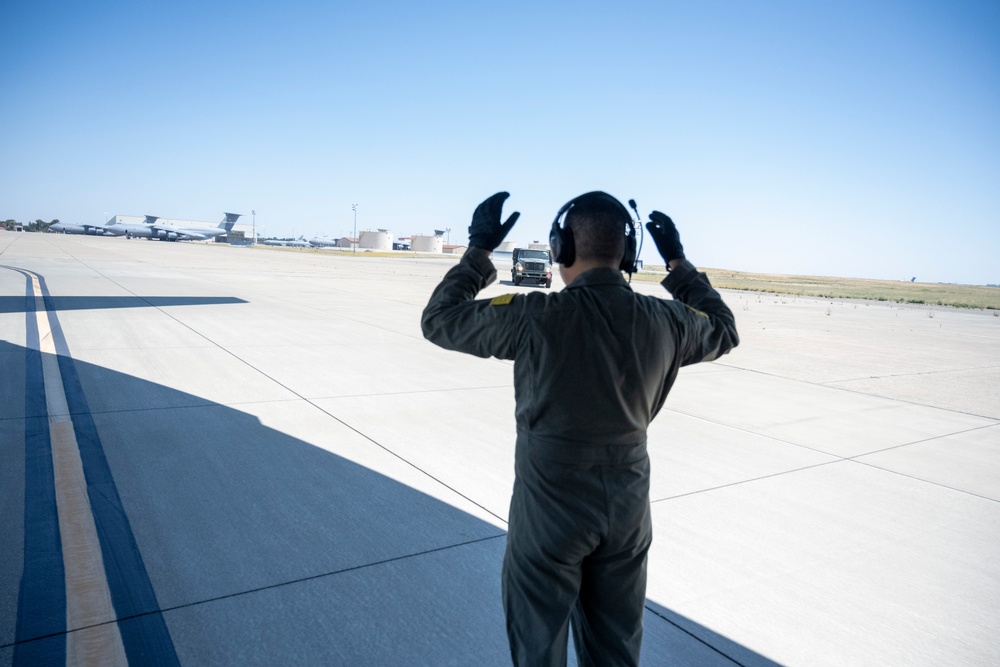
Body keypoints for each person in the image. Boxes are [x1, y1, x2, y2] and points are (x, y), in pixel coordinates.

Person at [421, 191, 739, 666]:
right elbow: (724, 328)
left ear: (561, 248)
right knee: (615, 651)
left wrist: (478, 251)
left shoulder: (537, 315)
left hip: (550, 511)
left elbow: (440, 320)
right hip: (627, 511)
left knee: (538, 648)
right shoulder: (668, 321)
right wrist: (678, 262)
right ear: (628, 255)